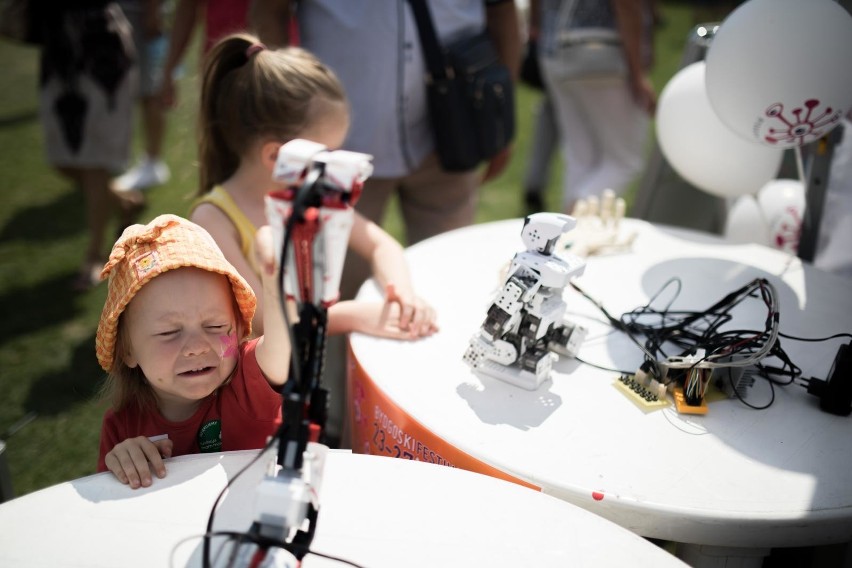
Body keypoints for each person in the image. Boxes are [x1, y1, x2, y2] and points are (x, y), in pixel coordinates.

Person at [250, 0, 521, 301]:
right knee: (333, 296)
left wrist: (500, 121)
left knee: (447, 287)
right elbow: (269, 9)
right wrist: (284, 112)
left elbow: (502, 10)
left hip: (450, 136)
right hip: (338, 154)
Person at [190, 33, 438, 340]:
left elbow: (381, 245)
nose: (332, 165)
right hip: (259, 382)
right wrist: (353, 316)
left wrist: (402, 295)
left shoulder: (309, 191)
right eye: (324, 154)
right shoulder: (212, 220)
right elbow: (263, 321)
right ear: (277, 156)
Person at [95, 214, 290, 489]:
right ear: (127, 351)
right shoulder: (121, 427)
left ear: (237, 327)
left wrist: (277, 279)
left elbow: (284, 348)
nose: (197, 347)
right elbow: (108, 504)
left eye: (215, 325)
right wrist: (122, 462)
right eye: (169, 333)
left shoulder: (247, 379)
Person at [36, 1, 143, 290]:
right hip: (58, 52)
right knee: (62, 159)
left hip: (100, 51)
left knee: (94, 162)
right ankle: (123, 200)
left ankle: (95, 254)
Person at [531, 0, 657, 213]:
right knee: (625, 162)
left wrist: (536, 26)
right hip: (599, 53)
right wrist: (637, 73)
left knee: (580, 157)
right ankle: (570, 223)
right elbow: (627, 6)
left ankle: (566, 235)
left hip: (552, 50)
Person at [112, 0, 172, 193]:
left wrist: (153, 12)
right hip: (125, 15)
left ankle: (153, 163)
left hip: (142, 16)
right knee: (137, 91)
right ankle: (145, 161)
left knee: (150, 92)